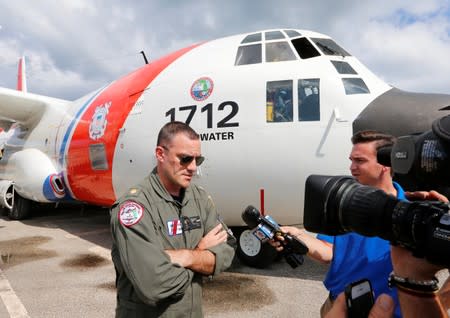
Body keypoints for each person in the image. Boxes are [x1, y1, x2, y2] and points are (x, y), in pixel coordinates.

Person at [110, 121, 236, 317]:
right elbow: (154, 284)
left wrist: (186, 257)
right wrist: (200, 252)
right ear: (160, 154)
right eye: (185, 159)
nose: (193, 167)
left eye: (198, 160)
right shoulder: (134, 208)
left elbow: (226, 251)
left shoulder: (198, 198)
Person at [271, 130, 403, 317]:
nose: (352, 167)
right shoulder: (342, 203)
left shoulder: (407, 214)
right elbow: (327, 252)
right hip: (336, 305)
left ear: (385, 164)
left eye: (360, 161)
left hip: (381, 312)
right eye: (351, 160)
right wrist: (296, 235)